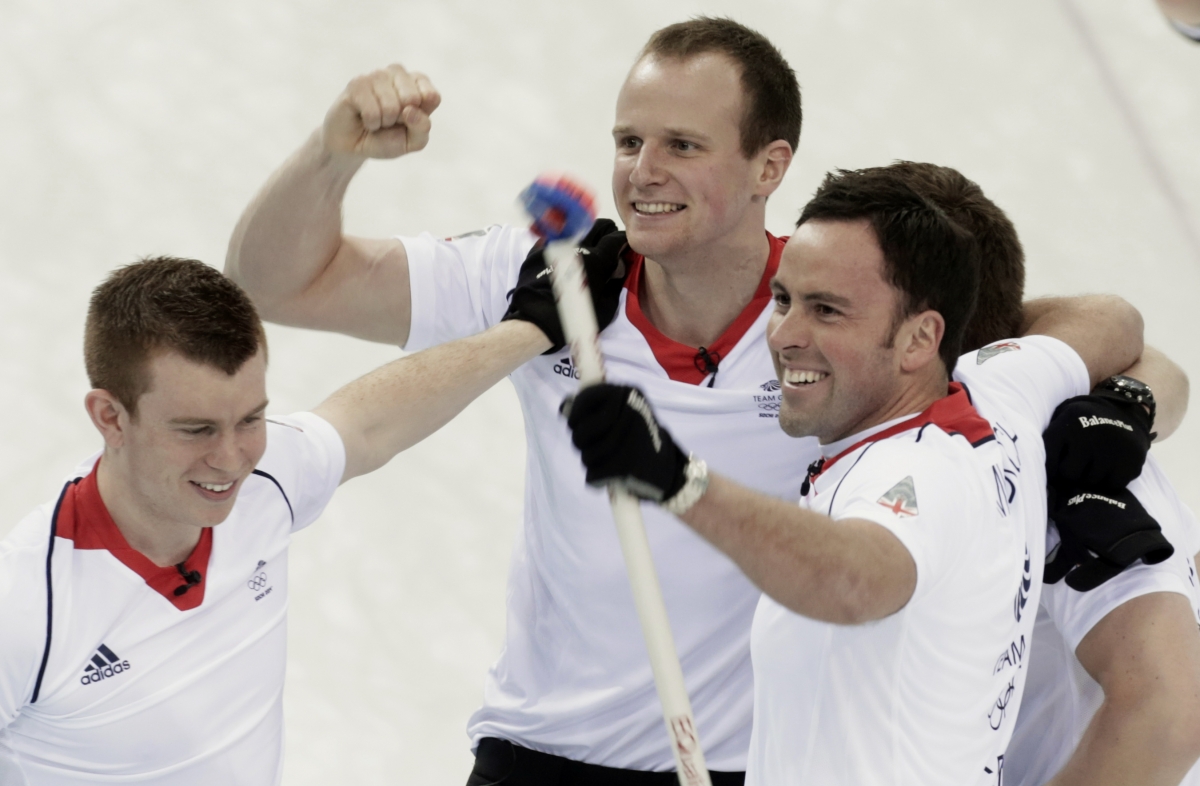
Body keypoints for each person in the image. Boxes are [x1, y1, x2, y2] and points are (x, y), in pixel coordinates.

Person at [227, 18, 812, 783]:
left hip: (742, 765)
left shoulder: (832, 313)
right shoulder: (550, 273)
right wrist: (333, 156)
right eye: (629, 142)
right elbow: (274, 282)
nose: (643, 172)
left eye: (683, 146)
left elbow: (1000, 328)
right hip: (535, 757)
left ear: (769, 167)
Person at [562, 165, 1148, 785]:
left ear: (921, 337)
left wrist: (678, 481)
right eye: (783, 299)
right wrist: (1136, 398)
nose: (785, 336)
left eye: (828, 311)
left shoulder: (919, 471)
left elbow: (855, 580)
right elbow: (1114, 319)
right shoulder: (1000, 390)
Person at [0, 256, 565, 785]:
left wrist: (533, 326)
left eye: (250, 419)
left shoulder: (264, 482)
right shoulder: (26, 603)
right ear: (110, 417)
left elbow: (369, 424)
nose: (231, 459)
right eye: (196, 430)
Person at [884, 161, 1200, 786]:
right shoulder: (899, 426)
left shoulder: (1069, 462)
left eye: (833, 306)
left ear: (925, 334)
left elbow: (1168, 716)